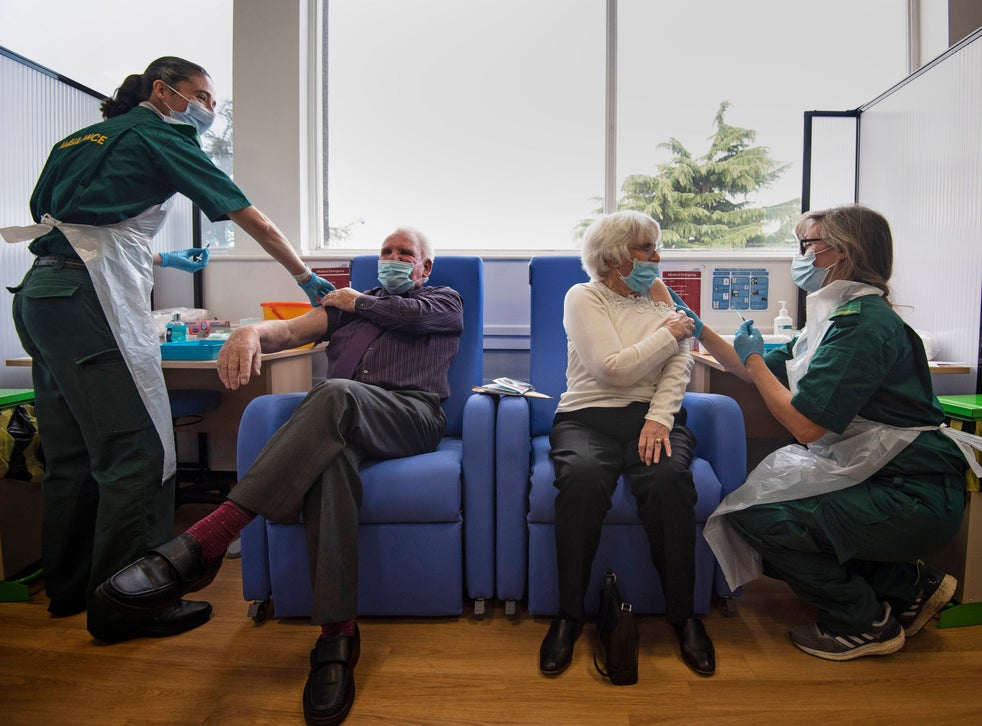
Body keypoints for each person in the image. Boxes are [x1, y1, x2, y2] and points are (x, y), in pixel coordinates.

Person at [1, 56, 336, 642]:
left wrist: (162, 259)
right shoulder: (163, 133)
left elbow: (72, 222)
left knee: (72, 450)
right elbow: (246, 214)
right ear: (164, 90)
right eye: (202, 96)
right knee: (141, 452)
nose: (208, 109)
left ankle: (70, 590)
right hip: (89, 294)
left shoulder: (76, 139)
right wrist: (306, 278)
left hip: (39, 295)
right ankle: (130, 603)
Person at [94, 227, 462, 725]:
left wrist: (356, 303)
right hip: (342, 426)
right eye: (386, 252)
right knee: (329, 467)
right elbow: (288, 332)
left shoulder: (442, 299)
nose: (394, 259)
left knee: (333, 393)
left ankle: (209, 536)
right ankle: (338, 635)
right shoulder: (343, 306)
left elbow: (419, 317)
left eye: (405, 254)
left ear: (425, 267)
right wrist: (250, 332)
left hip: (411, 416)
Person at [696, 204, 982, 661]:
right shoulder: (831, 321)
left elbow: (806, 426)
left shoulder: (862, 326)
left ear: (842, 253)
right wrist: (699, 329)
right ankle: (906, 587)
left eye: (807, 245)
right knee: (762, 508)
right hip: (883, 476)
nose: (800, 256)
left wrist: (752, 360)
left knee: (754, 517)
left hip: (910, 492)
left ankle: (861, 623)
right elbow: (754, 375)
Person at [539, 210, 717, 680]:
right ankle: (568, 616)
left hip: (653, 419)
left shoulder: (664, 305)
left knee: (668, 481)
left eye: (655, 248)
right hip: (585, 419)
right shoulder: (583, 297)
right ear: (615, 257)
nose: (656, 258)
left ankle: (684, 617)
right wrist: (669, 332)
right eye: (645, 249)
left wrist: (659, 419)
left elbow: (678, 369)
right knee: (582, 478)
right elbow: (611, 369)